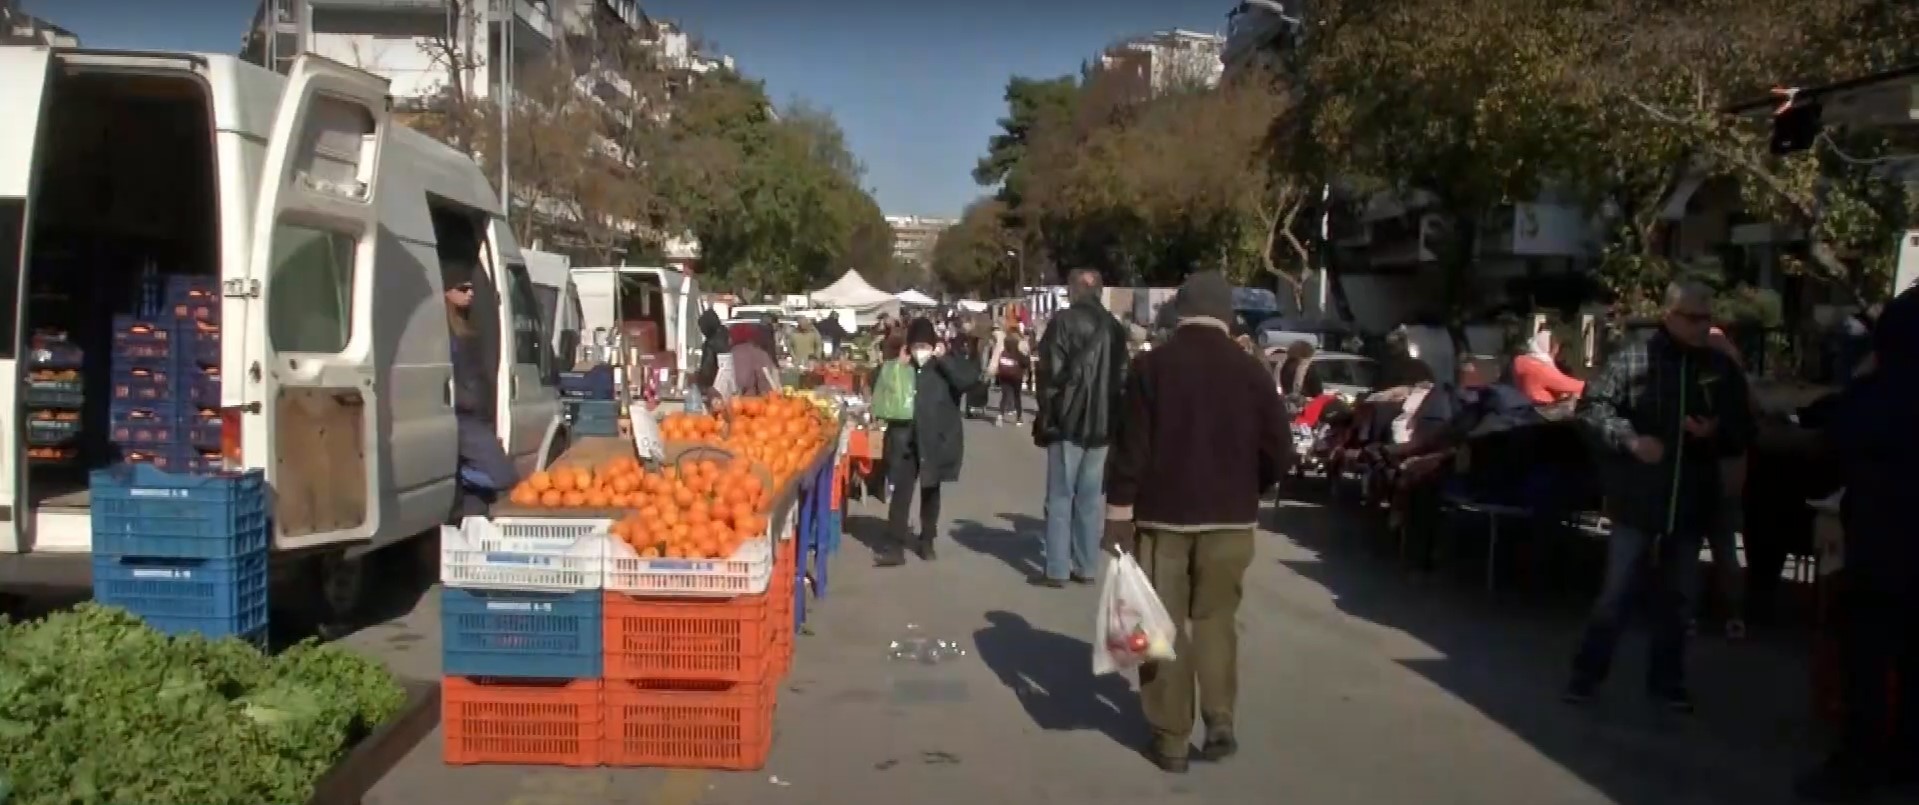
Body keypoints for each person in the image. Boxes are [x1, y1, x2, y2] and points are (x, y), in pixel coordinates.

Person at [1102, 270, 1291, 773]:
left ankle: (1171, 740)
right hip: (1231, 521)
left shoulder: (1153, 367)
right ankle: (1220, 717)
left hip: (1164, 519)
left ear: (1180, 313)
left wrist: (1118, 513)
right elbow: (1280, 448)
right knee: (1216, 620)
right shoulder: (1252, 372)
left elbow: (1130, 449)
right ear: (1228, 316)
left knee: (1160, 627)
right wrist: (1253, 486)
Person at [1564, 280, 1753, 712]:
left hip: (1690, 502)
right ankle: (1586, 675)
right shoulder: (1637, 355)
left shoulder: (1719, 368)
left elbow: (1743, 427)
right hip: (1640, 499)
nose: (1702, 327)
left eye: (1708, 318)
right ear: (1669, 315)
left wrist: (1717, 431)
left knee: (1680, 598)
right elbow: (1593, 408)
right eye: (1692, 317)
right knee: (1616, 592)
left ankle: (1667, 682)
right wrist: (1631, 440)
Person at [1794, 287, 1919, 803]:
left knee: (1866, 659)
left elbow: (1825, 426)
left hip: (1881, 549)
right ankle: (1908, 758)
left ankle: (1859, 761)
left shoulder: (1875, 394)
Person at [1030, 269, 1127, 588]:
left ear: (1076, 289)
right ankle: (1086, 566)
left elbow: (1048, 373)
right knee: (1089, 500)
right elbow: (1122, 378)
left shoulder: (1063, 322)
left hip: (1068, 423)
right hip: (1102, 426)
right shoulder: (1115, 328)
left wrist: (1048, 413)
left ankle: (1057, 568)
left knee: (1059, 497)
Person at [876, 318, 980, 567]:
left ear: (934, 345)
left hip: (936, 439)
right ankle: (895, 544)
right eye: (915, 345)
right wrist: (897, 366)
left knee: (930, 491)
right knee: (901, 492)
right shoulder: (903, 366)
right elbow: (880, 391)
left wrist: (945, 359)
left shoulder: (944, 366)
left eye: (924, 345)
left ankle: (927, 540)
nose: (919, 351)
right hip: (906, 439)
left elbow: (967, 381)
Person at [443, 268, 518, 517]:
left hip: (475, 413)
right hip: (461, 414)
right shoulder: (444, 331)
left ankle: (461, 485)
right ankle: (458, 477)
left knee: (479, 504)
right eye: (462, 289)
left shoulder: (465, 324)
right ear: (446, 292)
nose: (470, 293)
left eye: (471, 287)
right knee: (505, 477)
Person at [1512, 327, 1585, 404]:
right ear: (1549, 348)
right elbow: (1563, 383)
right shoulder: (1539, 367)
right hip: (1541, 408)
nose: (1556, 353)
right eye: (1556, 348)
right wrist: (1585, 385)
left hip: (1523, 405)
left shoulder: (1521, 361)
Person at [987, 324, 1031, 425]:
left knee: (1004, 395)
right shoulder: (1020, 344)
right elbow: (1025, 362)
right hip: (1016, 375)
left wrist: (993, 369)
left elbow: (997, 355)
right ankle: (1019, 418)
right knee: (1017, 396)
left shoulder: (1003, 344)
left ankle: (1000, 416)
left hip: (1004, 373)